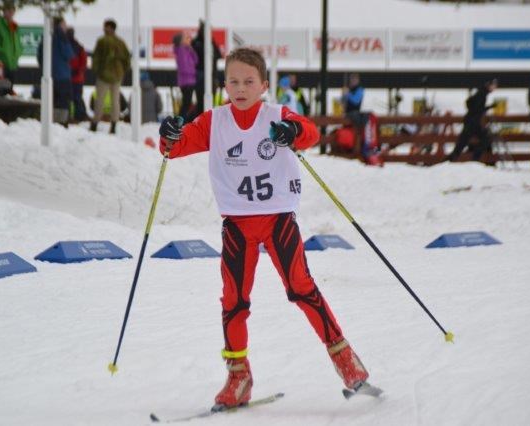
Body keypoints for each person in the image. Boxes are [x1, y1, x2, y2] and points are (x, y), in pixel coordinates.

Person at [157, 47, 370, 409]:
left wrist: (292, 131)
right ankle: (238, 375)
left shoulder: (275, 115)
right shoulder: (214, 121)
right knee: (233, 301)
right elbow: (174, 149)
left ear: (264, 85)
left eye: (249, 82)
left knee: (302, 289)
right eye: (234, 82)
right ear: (225, 85)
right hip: (237, 224)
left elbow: (310, 134)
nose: (240, 89)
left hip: (278, 220)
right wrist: (170, 134)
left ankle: (345, 360)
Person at [90, 19, 130, 134]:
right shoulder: (121, 42)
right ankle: (113, 125)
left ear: (110, 28)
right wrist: (122, 71)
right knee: (115, 101)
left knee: (100, 100)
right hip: (117, 75)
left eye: (105, 27)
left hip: (104, 75)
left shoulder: (102, 41)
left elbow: (96, 57)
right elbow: (127, 59)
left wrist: (97, 70)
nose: (104, 29)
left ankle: (95, 124)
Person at [448, 79, 498, 162]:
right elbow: (476, 109)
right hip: (472, 124)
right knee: (462, 145)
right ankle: (474, 160)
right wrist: (489, 107)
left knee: (463, 144)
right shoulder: (482, 93)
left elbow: (471, 105)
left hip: (472, 123)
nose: (495, 88)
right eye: (494, 86)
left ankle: (473, 160)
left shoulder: (482, 92)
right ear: (489, 85)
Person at [37, 17, 74, 127]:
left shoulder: (46, 36)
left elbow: (40, 55)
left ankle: (51, 122)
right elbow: (69, 54)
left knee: (50, 101)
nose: (66, 26)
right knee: (62, 102)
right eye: (64, 24)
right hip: (62, 76)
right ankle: (61, 123)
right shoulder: (62, 37)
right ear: (60, 24)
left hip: (49, 74)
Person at [0, 4, 22, 95]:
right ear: (4, 11)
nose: (11, 13)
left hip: (12, 63)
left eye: (12, 11)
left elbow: (17, 42)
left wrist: (18, 52)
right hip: (0, 63)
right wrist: (3, 52)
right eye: (8, 11)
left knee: (9, 90)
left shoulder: (14, 26)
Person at [191, 20, 222, 115]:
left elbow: (219, 55)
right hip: (200, 76)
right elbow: (196, 58)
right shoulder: (196, 43)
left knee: (210, 102)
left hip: (212, 76)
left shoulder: (211, 42)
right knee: (201, 102)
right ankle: (199, 123)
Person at [173, 31, 198, 122]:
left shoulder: (187, 50)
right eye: (185, 38)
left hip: (190, 80)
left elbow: (195, 60)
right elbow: (184, 67)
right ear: (181, 41)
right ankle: (179, 122)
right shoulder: (181, 50)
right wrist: (193, 73)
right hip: (186, 81)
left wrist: (191, 49)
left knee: (187, 103)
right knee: (186, 104)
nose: (188, 40)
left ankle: (181, 121)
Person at [67, 27, 89, 122]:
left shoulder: (74, 47)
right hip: (76, 77)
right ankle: (79, 116)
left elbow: (83, 62)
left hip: (71, 77)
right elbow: (84, 62)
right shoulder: (79, 47)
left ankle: (73, 116)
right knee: (77, 98)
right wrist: (79, 71)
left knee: (72, 98)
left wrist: (77, 71)